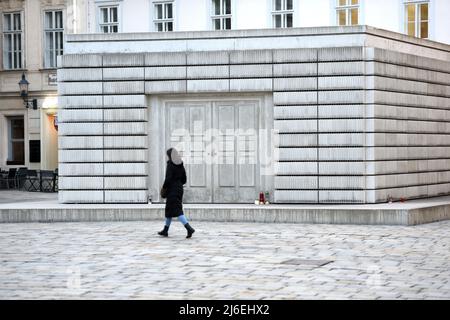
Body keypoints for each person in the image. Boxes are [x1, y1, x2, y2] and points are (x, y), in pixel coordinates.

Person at [158, 147, 195, 238]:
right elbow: (184, 179)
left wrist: (164, 187)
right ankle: (165, 230)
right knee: (170, 209)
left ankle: (189, 228)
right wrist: (178, 183)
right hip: (179, 189)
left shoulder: (170, 165)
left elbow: (168, 179)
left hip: (172, 190)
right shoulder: (180, 164)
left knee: (177, 210)